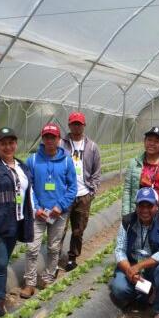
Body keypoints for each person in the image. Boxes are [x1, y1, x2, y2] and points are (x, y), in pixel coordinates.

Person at [0, 127, 34, 308]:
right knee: (1, 263)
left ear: (16, 145)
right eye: (3, 143)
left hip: (14, 223)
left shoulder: (22, 167)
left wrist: (31, 215)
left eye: (11, 143)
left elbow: (27, 194)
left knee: (2, 262)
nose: (8, 147)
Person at [110, 187, 159, 318]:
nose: (145, 210)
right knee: (118, 288)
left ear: (157, 206)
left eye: (149, 206)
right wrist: (130, 271)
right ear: (136, 206)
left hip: (155, 267)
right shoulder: (127, 221)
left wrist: (138, 267)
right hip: (133, 266)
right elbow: (120, 250)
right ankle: (148, 292)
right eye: (141, 205)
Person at [23, 123, 77, 298]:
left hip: (58, 214)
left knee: (54, 248)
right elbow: (27, 187)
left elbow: (72, 188)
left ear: (59, 139)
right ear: (42, 139)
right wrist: (36, 208)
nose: (49, 140)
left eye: (53, 137)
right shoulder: (32, 160)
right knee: (32, 248)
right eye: (46, 137)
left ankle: (47, 278)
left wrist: (60, 206)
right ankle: (29, 283)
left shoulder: (67, 160)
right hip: (38, 214)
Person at [60, 112, 102, 271]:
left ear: (84, 126)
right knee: (60, 229)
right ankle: (55, 257)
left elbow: (97, 172)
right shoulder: (61, 144)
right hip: (65, 195)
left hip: (84, 194)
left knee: (78, 230)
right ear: (69, 125)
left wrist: (92, 192)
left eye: (79, 124)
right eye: (73, 124)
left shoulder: (92, 147)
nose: (76, 126)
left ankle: (72, 257)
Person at [122, 127, 159, 217]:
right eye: (149, 140)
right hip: (141, 209)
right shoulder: (134, 163)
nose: (152, 144)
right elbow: (127, 190)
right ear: (144, 141)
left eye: (157, 141)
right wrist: (126, 214)